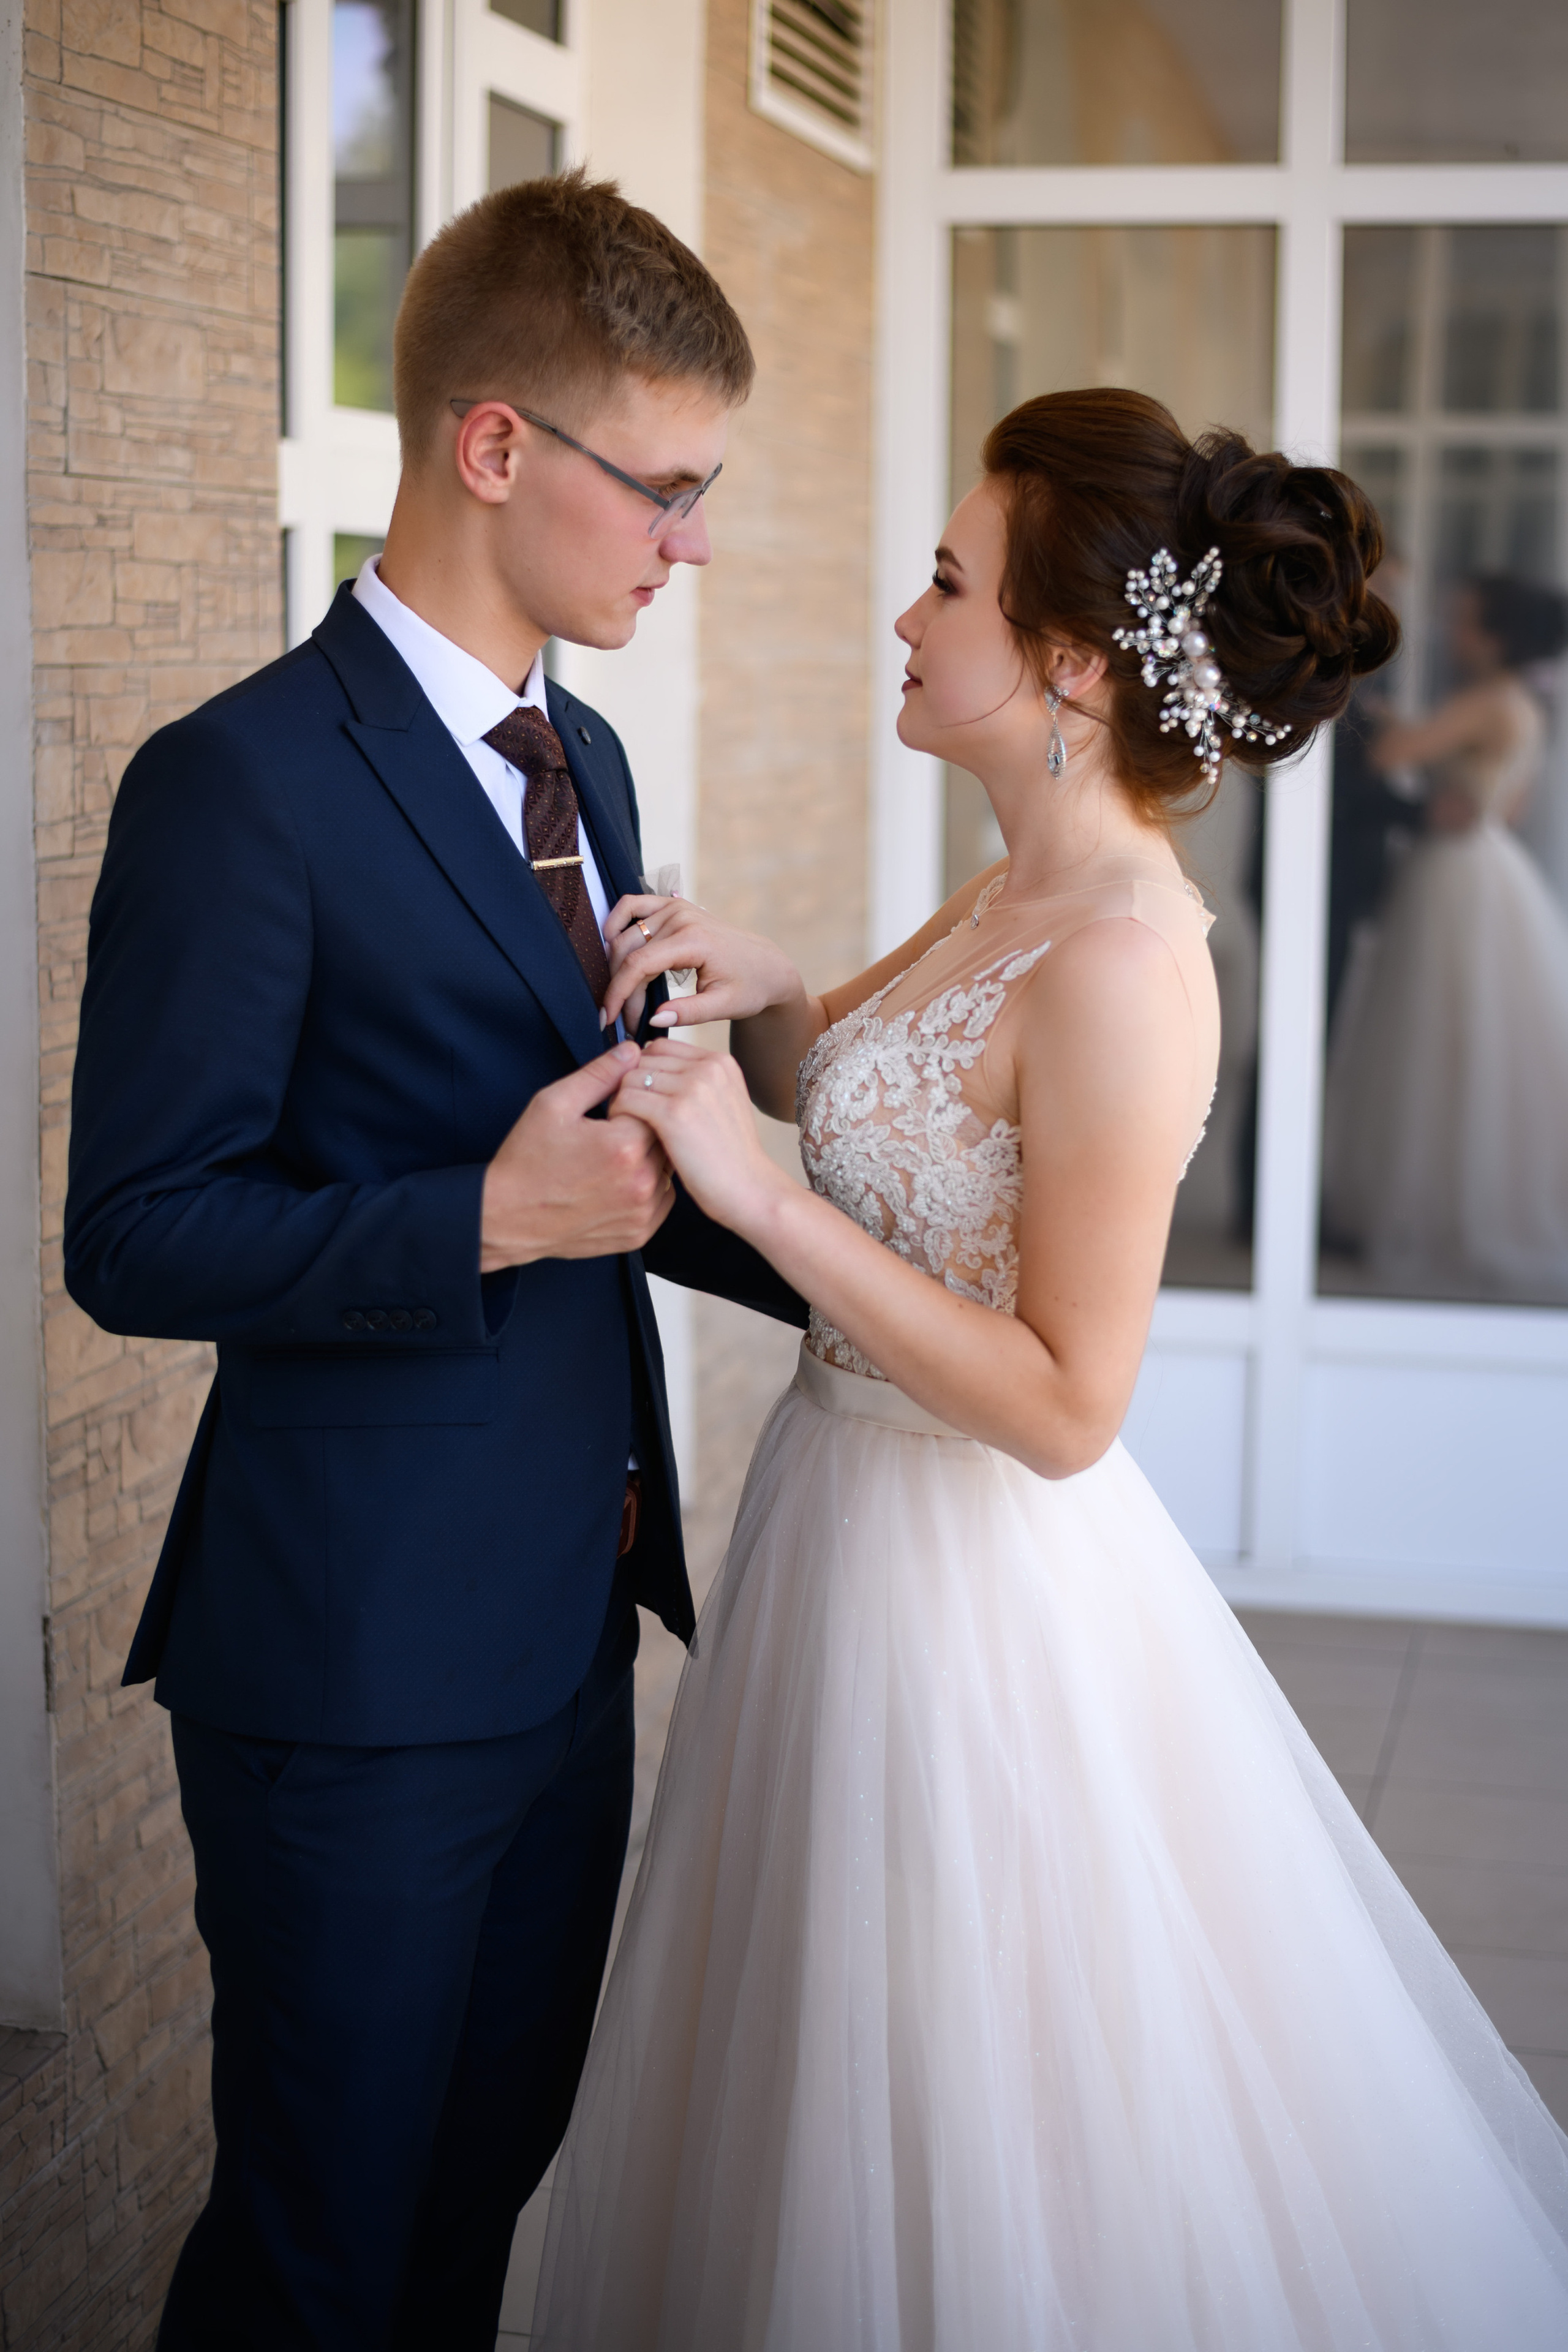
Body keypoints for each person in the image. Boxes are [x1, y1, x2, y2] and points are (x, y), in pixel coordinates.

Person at [530, 391, 1568, 2349]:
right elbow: (915, 1130)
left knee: (946, 2088)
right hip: (840, 1523)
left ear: (1072, 661)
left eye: (944, 582)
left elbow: (1068, 1400)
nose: (904, 619)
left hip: (961, 1584)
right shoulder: (1007, 882)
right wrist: (782, 1004)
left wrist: (751, 1198)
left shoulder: (1120, 953)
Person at [62, 171, 806, 2351]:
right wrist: (476, 1215)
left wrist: (867, 1275)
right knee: (322, 2255)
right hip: (352, 1674)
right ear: (495, 446)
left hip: (566, 1629)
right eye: (662, 491)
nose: (688, 546)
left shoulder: (587, 759)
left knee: (476, 2207)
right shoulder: (240, 783)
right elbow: (135, 1231)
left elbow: (635, 1162)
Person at [1322, 572, 1568, 1301]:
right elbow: (1512, 802)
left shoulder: (1488, 699)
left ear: (1495, 636)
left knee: (1440, 1039)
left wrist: (1383, 713)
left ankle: (1445, 1212)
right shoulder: (1524, 704)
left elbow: (1392, 754)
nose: (1452, 634)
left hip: (1458, 872)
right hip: (1486, 860)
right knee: (1472, 1043)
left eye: (1464, 622)